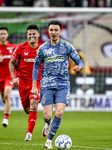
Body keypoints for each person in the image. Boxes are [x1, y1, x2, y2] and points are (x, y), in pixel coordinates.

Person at [31, 20, 84, 149]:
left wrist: (79, 67)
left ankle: (49, 141)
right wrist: (34, 85)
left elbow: (80, 62)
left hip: (63, 85)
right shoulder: (43, 48)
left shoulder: (67, 46)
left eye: (56, 30)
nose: (53, 32)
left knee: (59, 112)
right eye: (51, 30)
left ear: (60, 31)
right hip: (47, 85)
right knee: (47, 116)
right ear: (48, 31)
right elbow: (36, 67)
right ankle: (48, 123)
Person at [9, 24, 43, 141]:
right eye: (30, 34)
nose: (32, 36)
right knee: (27, 109)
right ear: (27, 35)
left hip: (37, 83)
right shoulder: (20, 47)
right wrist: (13, 77)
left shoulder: (42, 49)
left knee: (34, 104)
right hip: (22, 83)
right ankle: (34, 118)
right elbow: (11, 62)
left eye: (34, 34)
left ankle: (29, 134)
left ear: (38, 34)